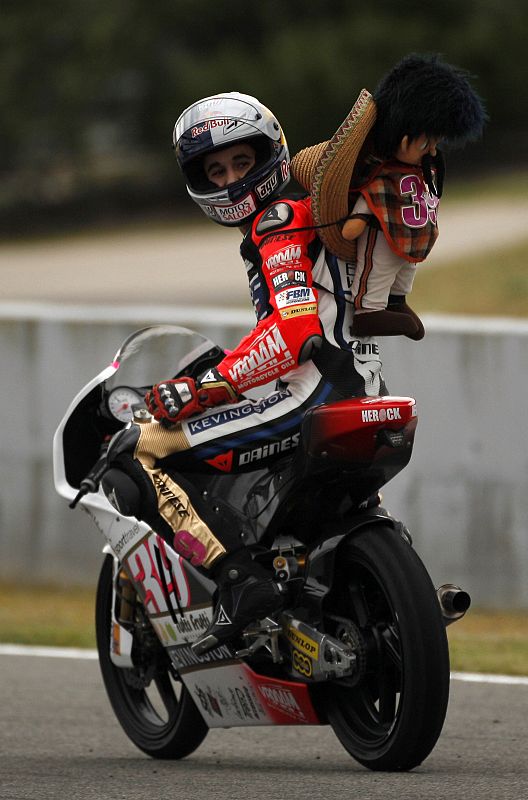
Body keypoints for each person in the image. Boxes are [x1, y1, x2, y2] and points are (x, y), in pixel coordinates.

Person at [101, 90, 387, 656]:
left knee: (133, 453)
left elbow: (295, 331)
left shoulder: (277, 221)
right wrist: (225, 375)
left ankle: (241, 582)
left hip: (312, 397)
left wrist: (202, 388)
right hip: (367, 391)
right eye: (215, 169)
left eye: (241, 162)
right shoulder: (309, 213)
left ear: (272, 155)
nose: (230, 178)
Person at [291, 54, 486, 340]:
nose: (432, 150)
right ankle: (370, 312)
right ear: (403, 136)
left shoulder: (425, 167)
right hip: (383, 236)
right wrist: (356, 221)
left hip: (409, 238)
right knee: (378, 269)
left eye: (436, 142)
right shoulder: (381, 176)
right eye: (426, 142)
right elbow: (370, 202)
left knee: (406, 268)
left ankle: (397, 300)